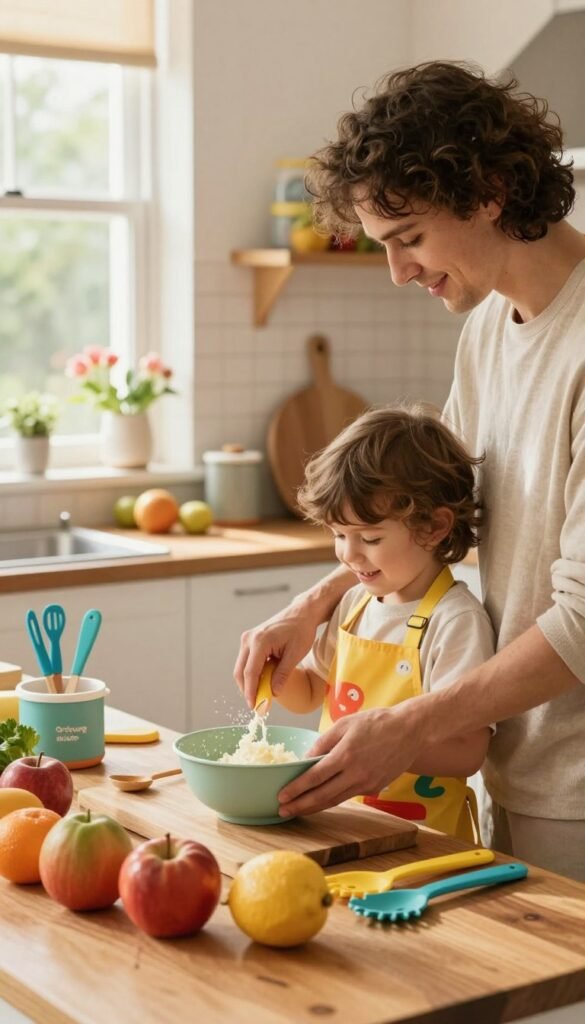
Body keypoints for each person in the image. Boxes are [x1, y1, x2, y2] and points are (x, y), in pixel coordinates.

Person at [234, 61, 585, 881]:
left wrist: (410, 724)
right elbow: (443, 520)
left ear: (489, 190)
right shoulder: (491, 328)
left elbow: (583, 620)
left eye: (410, 238)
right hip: (514, 769)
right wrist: (312, 603)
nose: (398, 271)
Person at [271, 403, 494, 842]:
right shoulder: (354, 603)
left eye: (369, 539)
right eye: (338, 535)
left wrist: (388, 748)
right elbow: (315, 691)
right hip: (343, 825)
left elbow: (469, 752)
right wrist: (277, 677)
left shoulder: (456, 621)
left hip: (422, 839)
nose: (348, 555)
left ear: (433, 527)